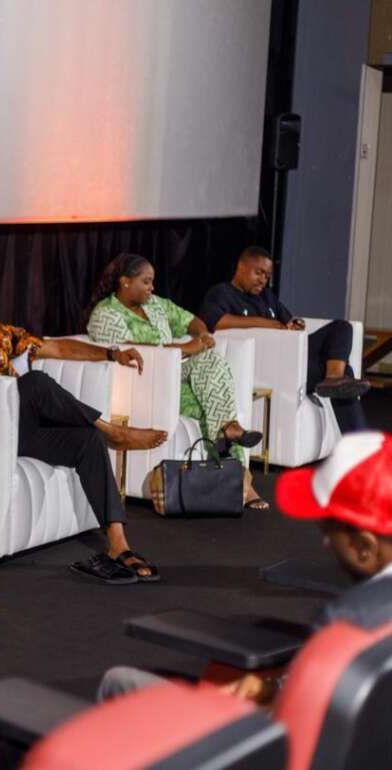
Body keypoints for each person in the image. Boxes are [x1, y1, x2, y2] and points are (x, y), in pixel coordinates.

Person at [0, 264, 168, 586]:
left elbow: (55, 347)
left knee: (87, 439)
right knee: (34, 383)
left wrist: (110, 354)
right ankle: (113, 432)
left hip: (21, 428)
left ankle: (119, 544)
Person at [98, 430, 392, 705]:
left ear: (365, 545)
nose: (326, 544)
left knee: (119, 682)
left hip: (258, 735)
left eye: (329, 531)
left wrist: (254, 703)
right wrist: (273, 686)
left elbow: (300, 719)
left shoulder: (347, 622)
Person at [86, 253, 269, 512]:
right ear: (125, 281)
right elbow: (131, 353)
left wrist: (202, 335)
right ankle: (241, 479)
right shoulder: (106, 314)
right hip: (144, 384)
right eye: (146, 282)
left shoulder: (154, 304)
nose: (152, 288)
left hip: (176, 375)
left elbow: (190, 320)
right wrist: (185, 348)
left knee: (210, 364)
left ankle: (230, 436)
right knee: (211, 404)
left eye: (152, 282)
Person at [199, 245, 368, 433]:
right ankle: (338, 387)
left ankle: (334, 378)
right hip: (265, 367)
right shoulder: (221, 293)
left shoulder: (266, 297)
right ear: (241, 267)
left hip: (290, 359)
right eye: (258, 273)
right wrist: (269, 324)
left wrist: (295, 325)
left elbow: (290, 320)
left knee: (341, 328)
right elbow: (218, 322)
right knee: (346, 372)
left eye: (267, 276)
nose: (263, 280)